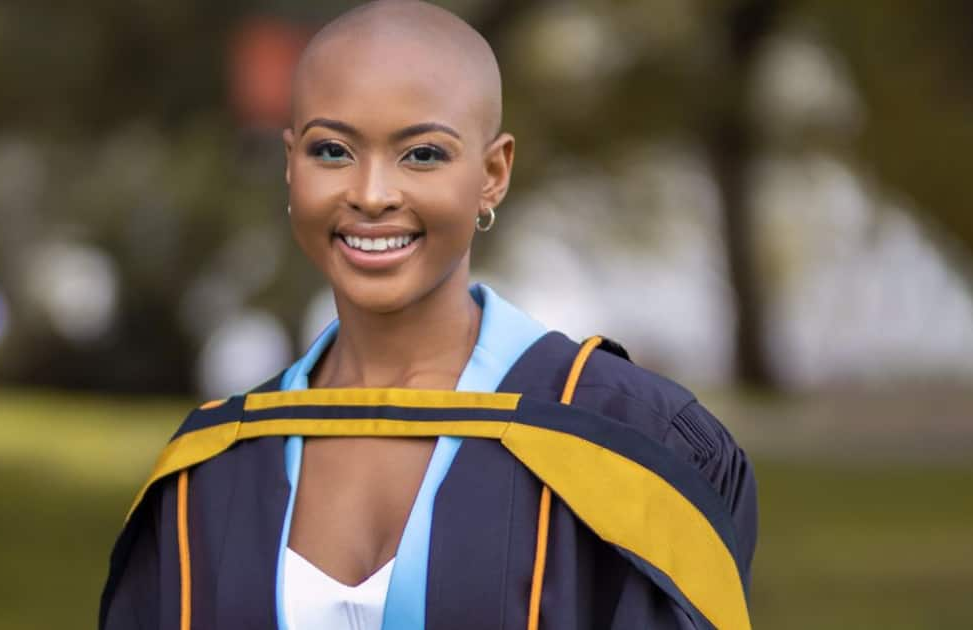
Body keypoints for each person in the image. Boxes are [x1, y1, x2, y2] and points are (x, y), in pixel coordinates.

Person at [100, 1, 758, 629]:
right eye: (332, 150)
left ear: (493, 173)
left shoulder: (631, 442)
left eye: (423, 154)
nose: (372, 193)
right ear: (290, 165)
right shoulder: (210, 471)